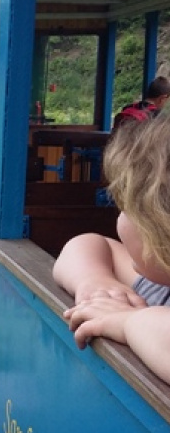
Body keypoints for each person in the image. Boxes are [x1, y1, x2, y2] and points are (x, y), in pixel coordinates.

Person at [55, 117, 170, 384]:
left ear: (157, 226)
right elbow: (87, 245)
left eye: (125, 209)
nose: (118, 220)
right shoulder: (160, 283)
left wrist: (128, 323)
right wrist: (96, 281)